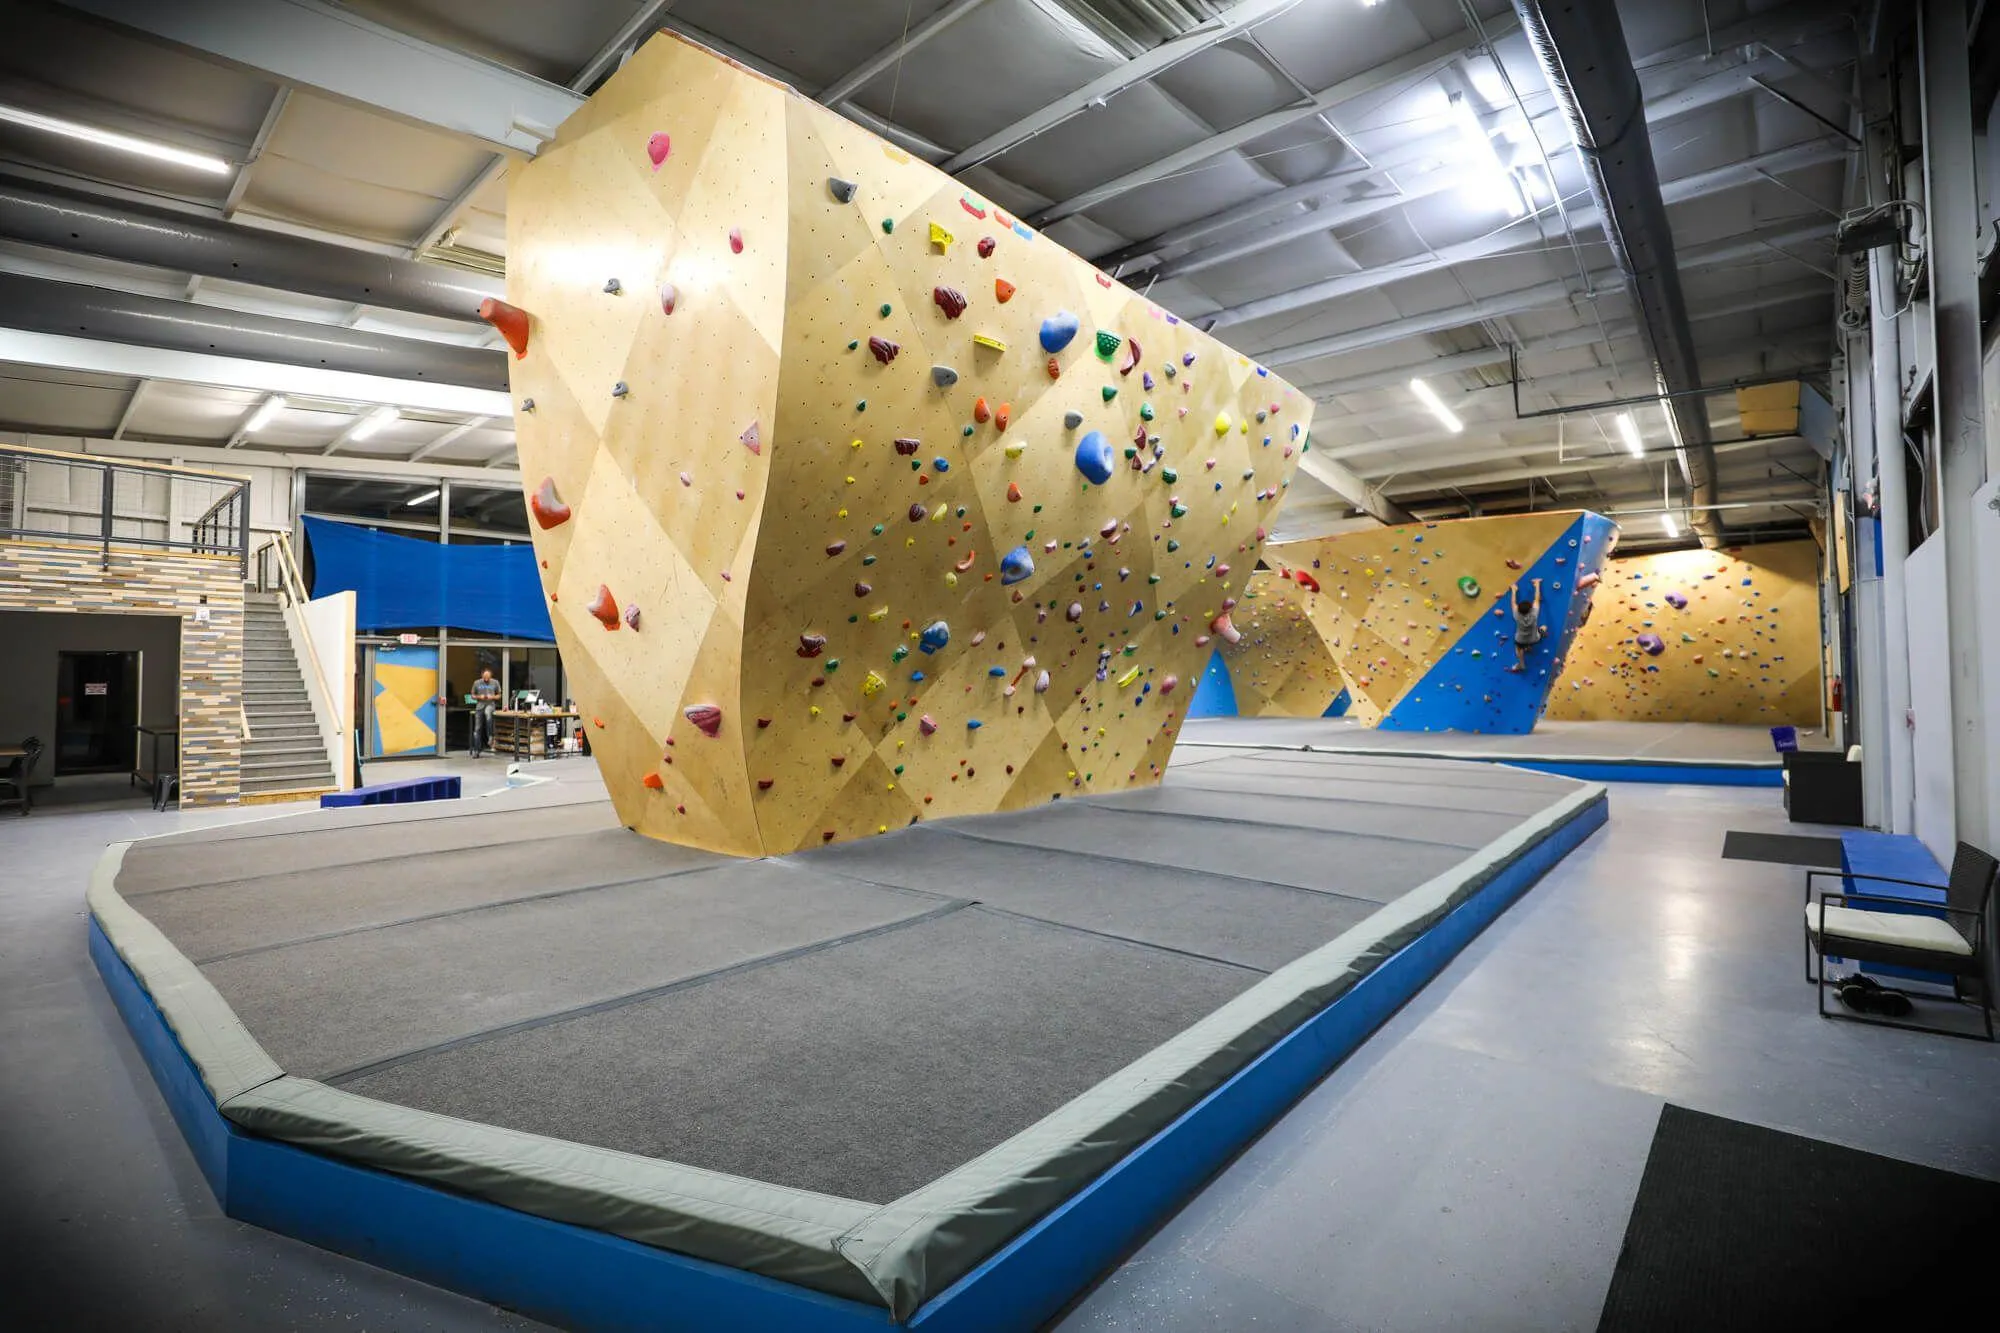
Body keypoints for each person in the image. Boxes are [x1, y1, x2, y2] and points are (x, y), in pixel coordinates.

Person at [1509, 578, 1543, 672]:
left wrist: (1514, 590)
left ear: (1519, 610)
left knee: (1518, 650)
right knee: (1544, 628)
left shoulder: (1516, 614)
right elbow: (1536, 599)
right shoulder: (1534, 613)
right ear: (1530, 609)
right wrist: (1537, 584)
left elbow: (1513, 603)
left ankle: (1521, 664)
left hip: (1520, 639)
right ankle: (1528, 647)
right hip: (1534, 638)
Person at [469, 669, 501, 757]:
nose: (486, 678)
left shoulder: (495, 682)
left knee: (488, 715)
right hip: (479, 705)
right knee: (477, 729)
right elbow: (472, 695)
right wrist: (480, 696)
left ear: (491, 676)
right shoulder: (477, 683)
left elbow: (499, 695)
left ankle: (490, 736)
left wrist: (492, 696)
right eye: (485, 677)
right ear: (482, 676)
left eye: (488, 677)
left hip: (490, 704)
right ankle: (476, 750)